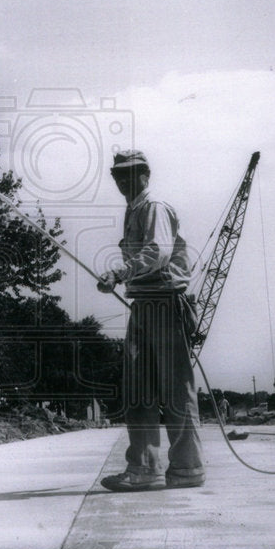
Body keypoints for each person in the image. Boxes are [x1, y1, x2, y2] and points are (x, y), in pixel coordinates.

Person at [96, 149, 205, 491]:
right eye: (118, 176)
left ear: (146, 174)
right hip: (144, 303)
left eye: (130, 174)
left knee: (174, 390)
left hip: (164, 302)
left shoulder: (154, 207)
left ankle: (187, 468)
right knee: (138, 389)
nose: (123, 181)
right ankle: (144, 468)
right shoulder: (133, 211)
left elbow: (157, 252)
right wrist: (122, 276)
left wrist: (119, 271)